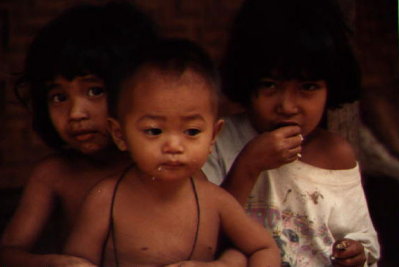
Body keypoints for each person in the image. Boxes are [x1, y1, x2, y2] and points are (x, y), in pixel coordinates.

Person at [63, 39, 281, 267]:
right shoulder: (106, 199)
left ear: (213, 137)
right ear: (119, 135)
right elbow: (75, 262)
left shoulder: (215, 201)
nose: (174, 146)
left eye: (192, 131)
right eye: (154, 131)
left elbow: (263, 248)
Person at [202, 0, 380, 266]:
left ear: (330, 88)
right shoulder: (217, 141)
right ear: (247, 82)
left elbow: (364, 239)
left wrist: (357, 252)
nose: (287, 106)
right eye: (270, 85)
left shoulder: (335, 154)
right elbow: (202, 234)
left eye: (307, 87)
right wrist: (248, 166)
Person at [0, 2, 158, 266]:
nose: (75, 114)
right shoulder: (54, 175)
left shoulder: (162, 164)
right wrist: (54, 263)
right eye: (59, 97)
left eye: (95, 91)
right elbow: (8, 253)